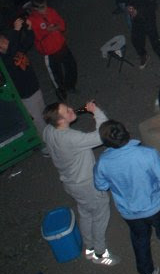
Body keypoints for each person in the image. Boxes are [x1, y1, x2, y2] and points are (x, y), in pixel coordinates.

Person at [94, 121, 160, 274]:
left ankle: (146, 272)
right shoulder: (148, 153)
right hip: (156, 207)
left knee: (140, 239)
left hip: (129, 212)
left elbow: (101, 185)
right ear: (127, 131)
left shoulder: (103, 162)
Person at [42, 100, 120, 265]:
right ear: (61, 121)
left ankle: (89, 247)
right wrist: (96, 111)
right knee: (100, 214)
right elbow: (103, 134)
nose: (71, 109)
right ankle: (100, 253)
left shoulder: (48, 130)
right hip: (87, 185)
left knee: (85, 212)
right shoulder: (71, 138)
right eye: (67, 111)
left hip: (70, 183)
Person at [0, 18, 47, 154]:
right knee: (37, 121)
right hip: (26, 94)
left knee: (44, 114)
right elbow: (12, 49)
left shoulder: (13, 48)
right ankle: (45, 146)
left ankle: (51, 138)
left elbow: (26, 43)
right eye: (2, 40)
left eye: (4, 38)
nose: (6, 40)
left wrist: (29, 29)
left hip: (34, 87)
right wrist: (15, 30)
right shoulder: (4, 59)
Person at [27, 0, 78, 101]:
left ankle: (70, 85)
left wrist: (57, 27)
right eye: (42, 7)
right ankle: (61, 92)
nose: (45, 9)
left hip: (61, 45)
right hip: (50, 52)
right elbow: (36, 36)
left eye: (45, 6)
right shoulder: (32, 20)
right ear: (35, 9)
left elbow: (61, 23)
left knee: (71, 65)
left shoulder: (51, 11)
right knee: (56, 74)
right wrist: (48, 30)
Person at [123, 0, 160, 70]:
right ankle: (143, 55)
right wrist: (129, 7)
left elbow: (153, 5)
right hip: (136, 19)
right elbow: (127, 0)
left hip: (148, 18)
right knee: (135, 39)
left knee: (154, 40)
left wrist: (138, 11)